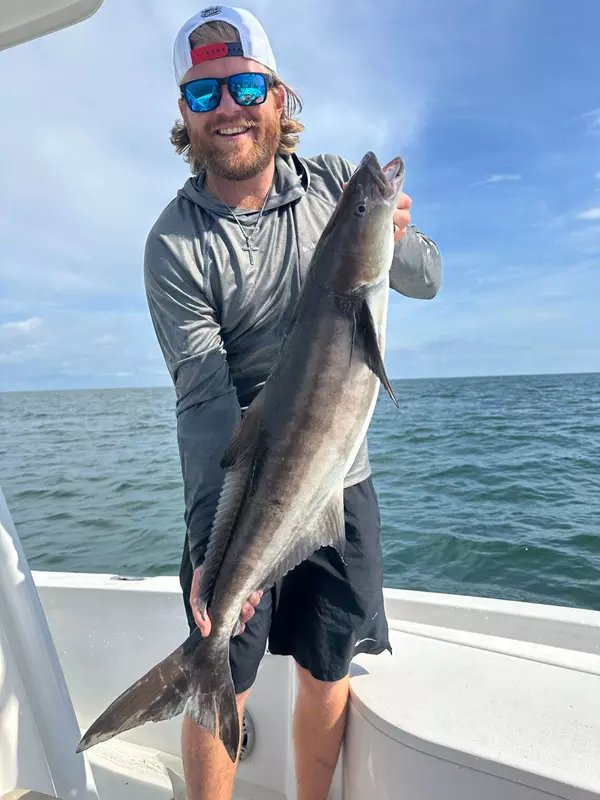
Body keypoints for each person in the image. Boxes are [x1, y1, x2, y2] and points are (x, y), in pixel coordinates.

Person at [144, 6, 442, 799]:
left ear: (279, 97)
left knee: (328, 666)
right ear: (185, 115)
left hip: (341, 480)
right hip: (244, 491)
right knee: (224, 676)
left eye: (244, 86)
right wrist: (214, 548)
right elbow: (204, 400)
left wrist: (392, 230)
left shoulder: (338, 187)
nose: (228, 108)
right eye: (204, 95)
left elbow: (427, 279)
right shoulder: (175, 245)